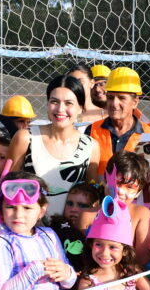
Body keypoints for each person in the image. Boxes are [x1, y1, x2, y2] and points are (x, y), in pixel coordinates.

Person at [8, 75, 100, 217]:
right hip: (30, 231)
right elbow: (8, 187)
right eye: (54, 102)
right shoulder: (26, 138)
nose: (60, 109)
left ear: (80, 108)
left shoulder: (90, 146)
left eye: (69, 103)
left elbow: (91, 197)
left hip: (70, 235)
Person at [85, 67, 150, 175]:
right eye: (111, 97)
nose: (114, 103)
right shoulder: (92, 131)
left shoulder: (149, 134)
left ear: (135, 102)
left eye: (121, 98)